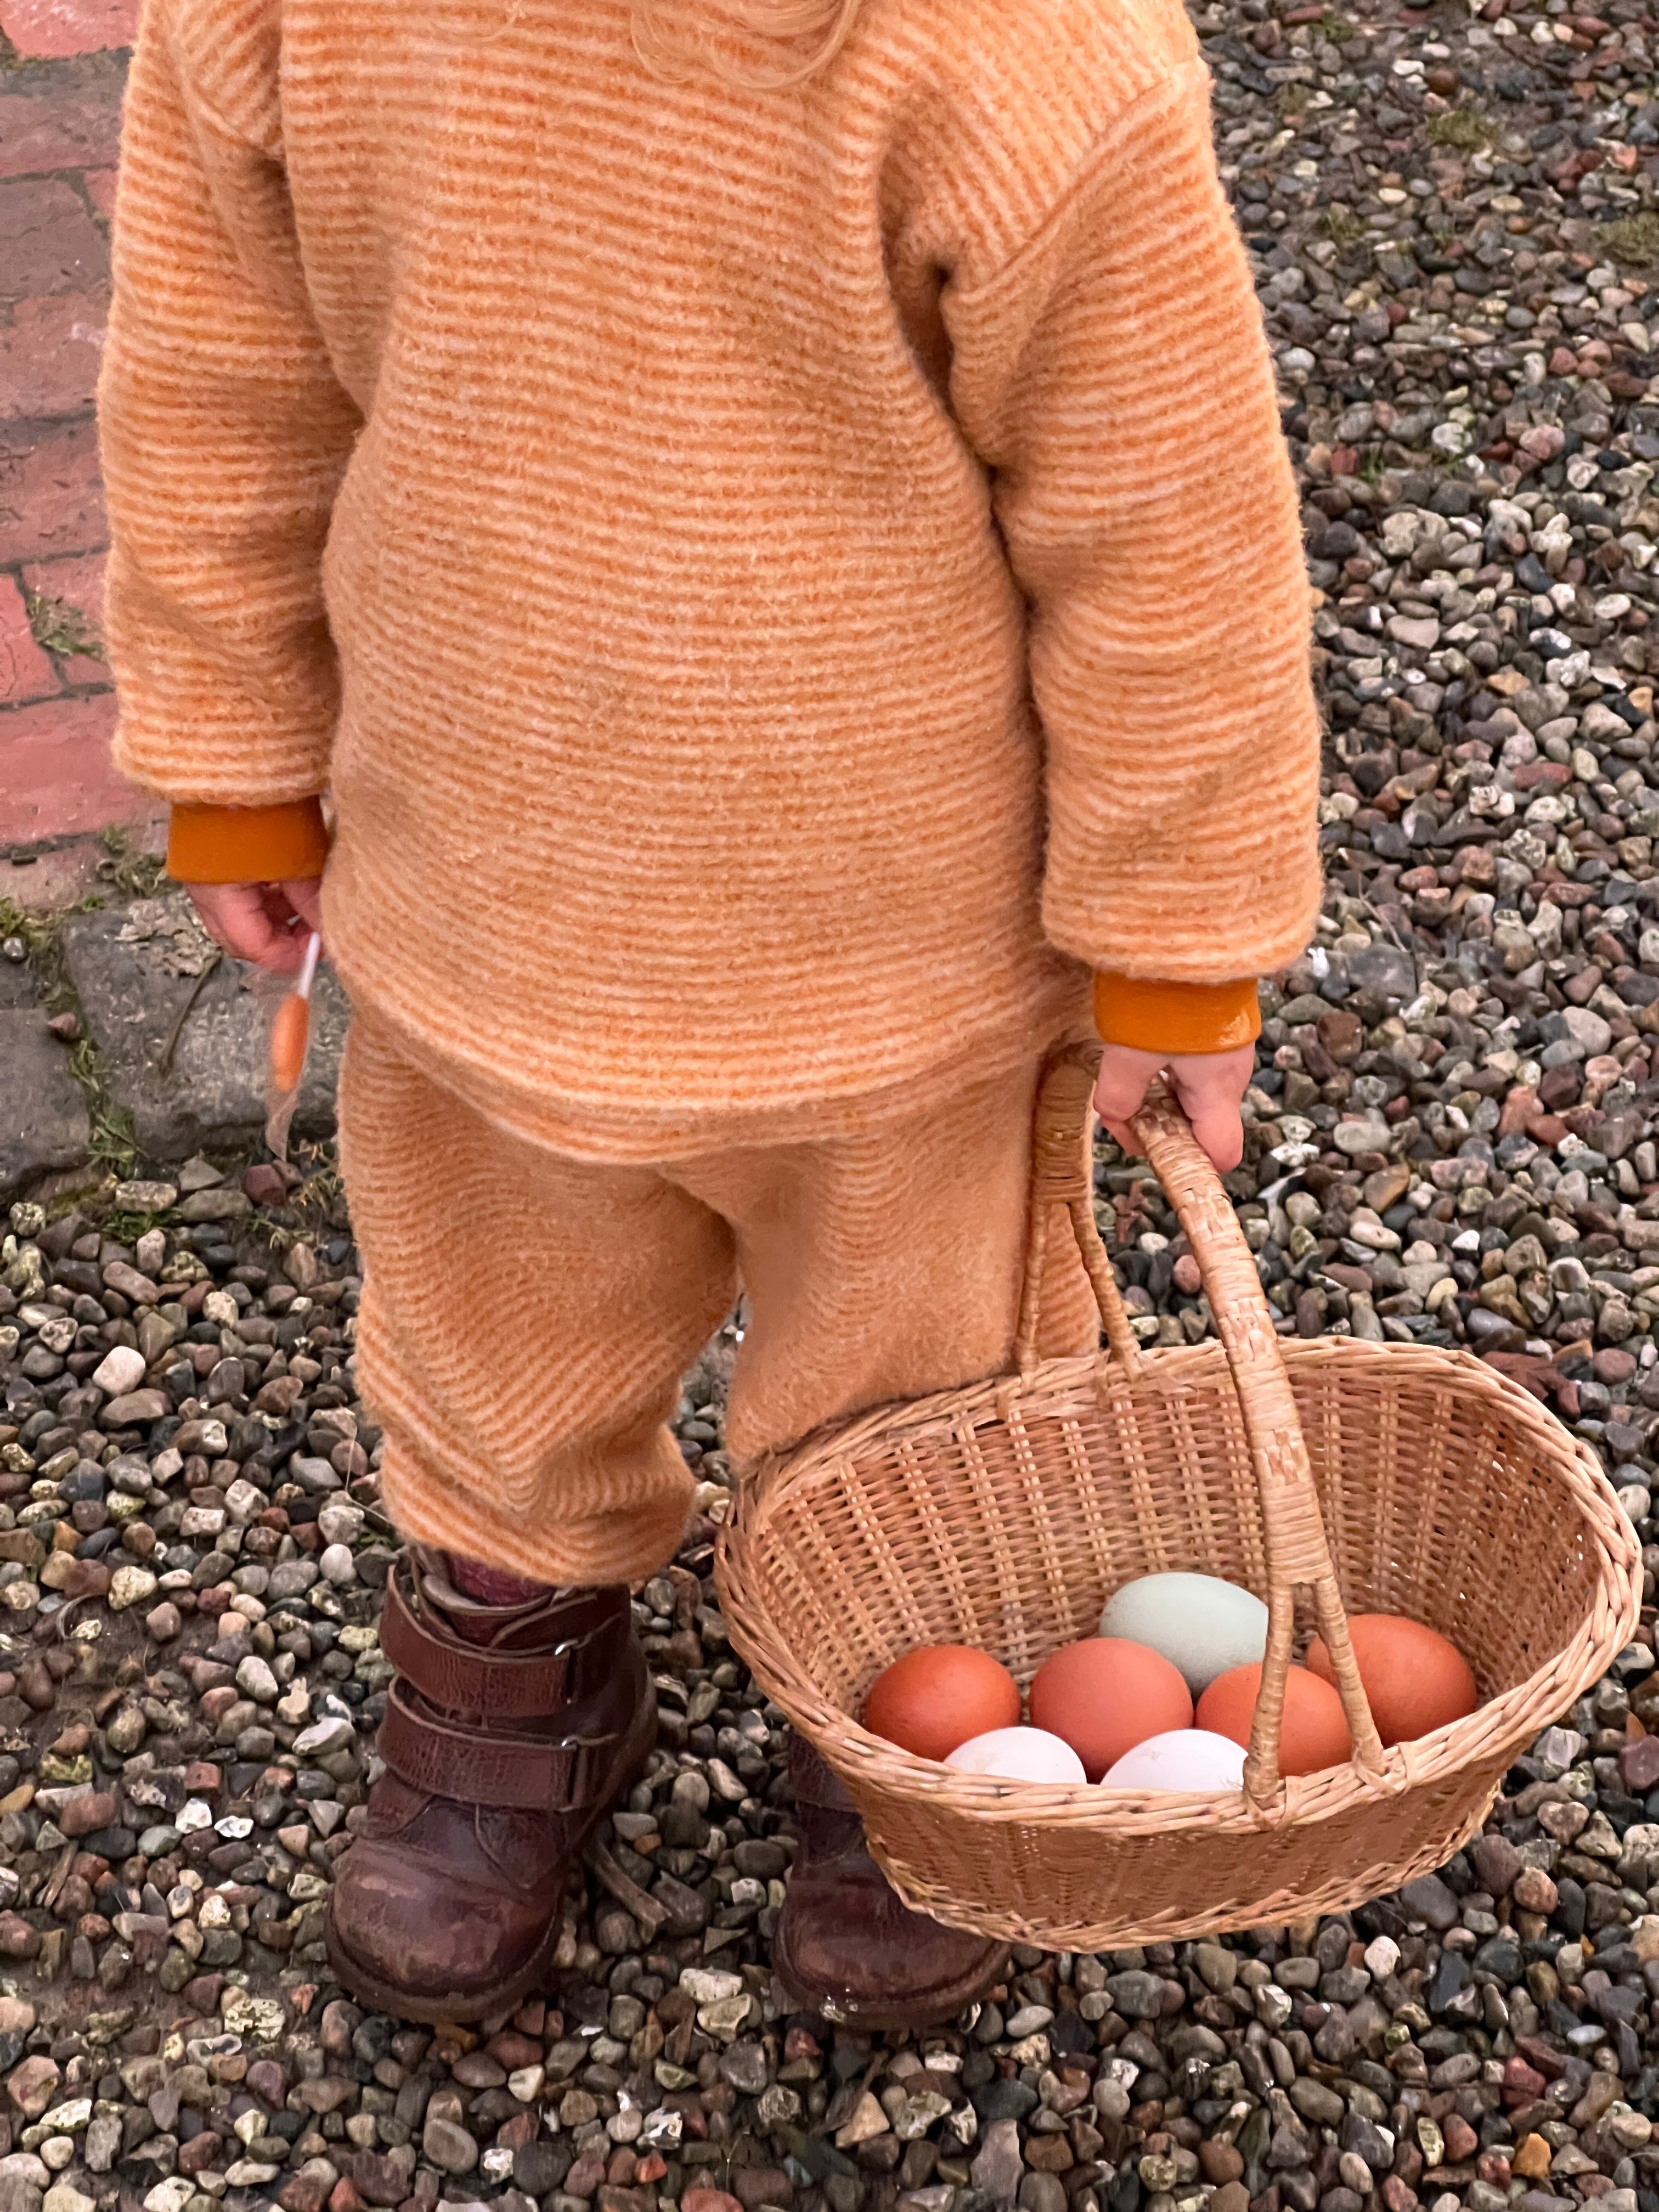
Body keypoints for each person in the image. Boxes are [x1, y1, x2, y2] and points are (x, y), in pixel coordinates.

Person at [99, 0, 1320, 2027]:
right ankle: (515, 1642)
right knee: (490, 1360)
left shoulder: (1018, 53)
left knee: (914, 1399)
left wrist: (1180, 933)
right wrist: (236, 740)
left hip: (899, 963)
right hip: (472, 888)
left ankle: (896, 1695)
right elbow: (222, 371)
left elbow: (1165, 522)